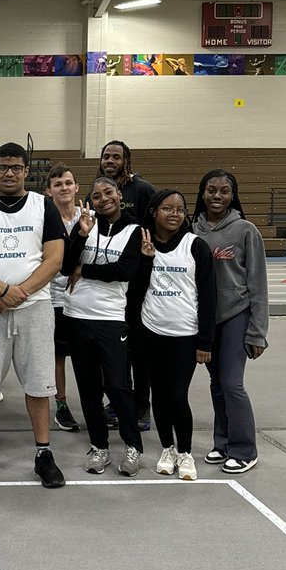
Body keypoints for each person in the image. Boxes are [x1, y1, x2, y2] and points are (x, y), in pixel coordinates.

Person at [0, 142, 66, 488]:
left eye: (16, 167)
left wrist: (20, 293)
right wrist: (3, 290)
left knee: (37, 384)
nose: (9, 173)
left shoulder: (43, 206)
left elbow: (53, 260)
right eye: (3, 167)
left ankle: (43, 453)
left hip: (34, 308)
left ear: (25, 170)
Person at [62, 176, 145, 476]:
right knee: (88, 387)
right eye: (96, 196)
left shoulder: (135, 231)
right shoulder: (85, 225)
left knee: (118, 386)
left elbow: (124, 270)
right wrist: (82, 236)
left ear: (119, 194)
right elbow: (63, 265)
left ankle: (132, 447)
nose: (103, 199)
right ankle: (100, 446)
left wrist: (84, 269)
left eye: (108, 192)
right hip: (77, 316)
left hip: (110, 319)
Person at [192, 170, 268, 474]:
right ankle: (221, 443)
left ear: (232, 195)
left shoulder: (245, 231)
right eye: (211, 190)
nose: (217, 196)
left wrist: (258, 332)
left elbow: (258, 284)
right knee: (216, 384)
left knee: (232, 383)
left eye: (224, 191)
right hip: (206, 320)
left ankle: (245, 449)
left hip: (236, 315)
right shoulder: (191, 232)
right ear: (202, 193)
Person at [137, 190, 216, 482]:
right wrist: (145, 260)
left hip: (185, 334)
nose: (174, 214)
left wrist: (205, 341)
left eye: (180, 210)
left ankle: (185, 452)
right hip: (152, 331)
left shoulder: (196, 246)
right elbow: (135, 290)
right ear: (154, 211)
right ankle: (167, 448)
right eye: (167, 208)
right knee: (158, 394)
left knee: (177, 395)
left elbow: (209, 298)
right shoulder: (144, 245)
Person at [95, 140, 156, 431]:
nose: (110, 160)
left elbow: (157, 220)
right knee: (117, 351)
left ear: (126, 160)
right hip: (110, 289)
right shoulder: (97, 187)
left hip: (136, 280)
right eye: (106, 156)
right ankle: (119, 402)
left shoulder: (142, 189)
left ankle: (142, 407)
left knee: (139, 352)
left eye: (116, 157)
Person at [45, 164, 82, 433]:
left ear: (76, 187)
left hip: (84, 300)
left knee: (88, 356)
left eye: (68, 183)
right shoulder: (45, 219)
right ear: (49, 191)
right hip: (54, 297)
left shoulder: (88, 217)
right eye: (58, 184)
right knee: (58, 356)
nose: (64, 188)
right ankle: (61, 405)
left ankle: (95, 404)